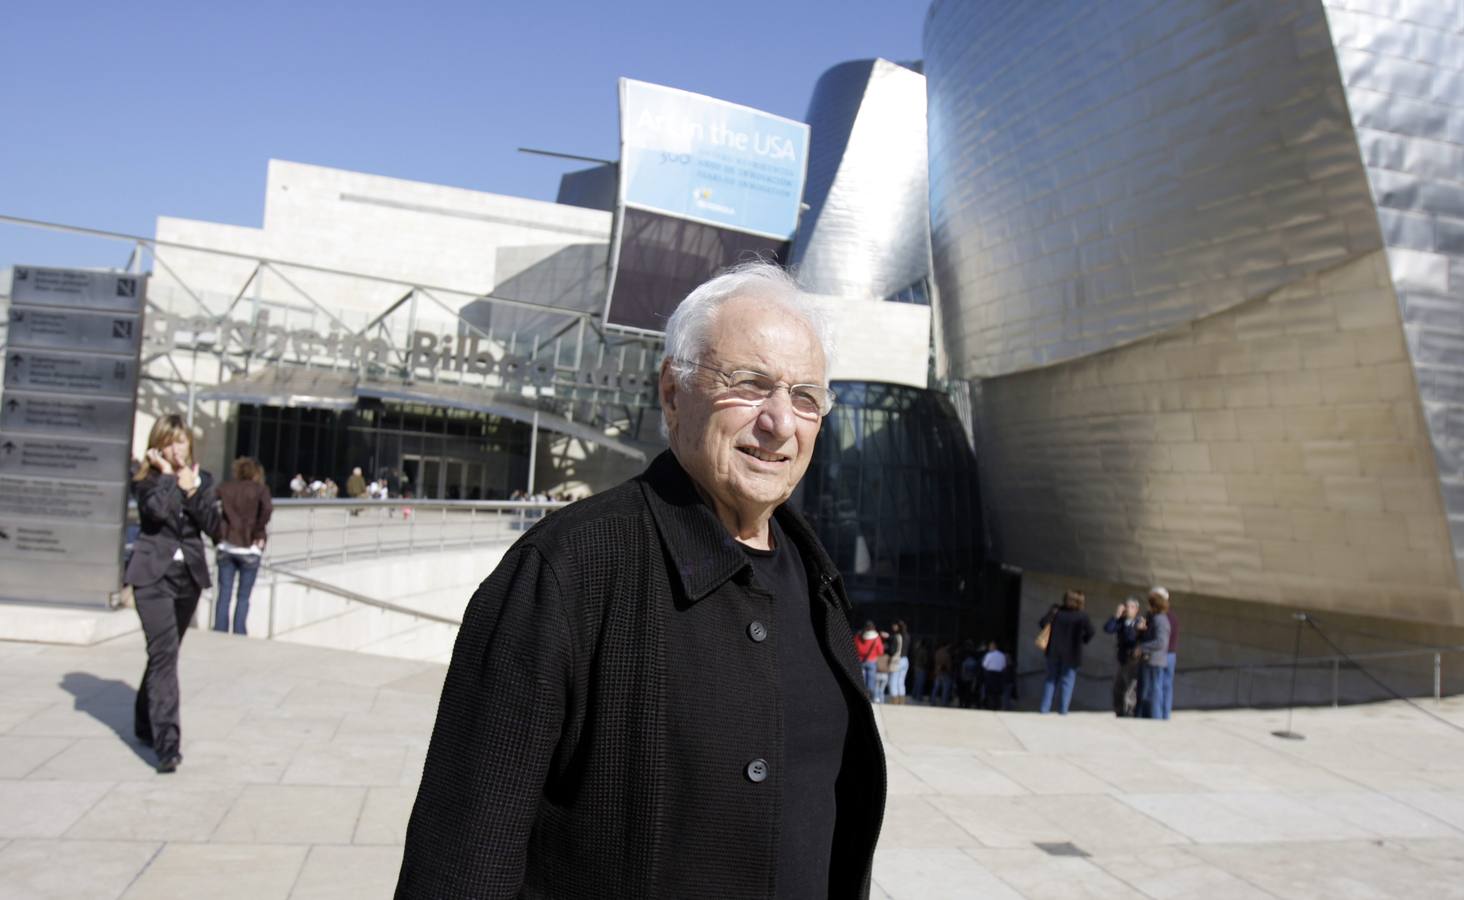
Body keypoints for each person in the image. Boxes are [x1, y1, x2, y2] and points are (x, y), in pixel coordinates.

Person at [396, 262, 885, 898]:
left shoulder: (817, 579)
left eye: (805, 397)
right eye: (750, 384)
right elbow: (462, 862)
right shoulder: (565, 572)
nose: (780, 423)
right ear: (673, 391)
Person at [124, 414, 220, 773]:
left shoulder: (201, 479)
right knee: (164, 657)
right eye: (169, 441)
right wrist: (167, 475)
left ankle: (143, 722)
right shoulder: (146, 480)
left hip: (188, 579)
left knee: (162, 654)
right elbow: (156, 512)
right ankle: (167, 746)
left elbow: (216, 530)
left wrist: (194, 490)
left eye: (181, 441)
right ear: (157, 445)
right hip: (152, 578)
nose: (176, 448)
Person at [214, 456, 272, 635]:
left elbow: (208, 502)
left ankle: (220, 630)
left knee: (224, 594)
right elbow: (267, 509)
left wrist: (218, 533)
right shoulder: (260, 490)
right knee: (244, 596)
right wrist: (258, 530)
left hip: (227, 545)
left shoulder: (226, 488)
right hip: (250, 547)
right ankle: (239, 631)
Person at [1038, 590, 1095, 714]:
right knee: (1067, 682)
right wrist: (1082, 640)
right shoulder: (1082, 616)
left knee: (1050, 680)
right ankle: (1063, 710)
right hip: (1072, 653)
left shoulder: (1057, 611)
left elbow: (1042, 623)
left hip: (1053, 651)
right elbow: (1091, 632)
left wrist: (1051, 613)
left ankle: (1044, 709)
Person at [1137, 587, 1173, 720]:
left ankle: (1155, 717)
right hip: (1152, 660)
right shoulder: (1155, 618)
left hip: (1155, 660)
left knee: (1153, 692)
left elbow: (1161, 642)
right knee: (1149, 691)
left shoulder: (1160, 620)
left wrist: (1142, 647)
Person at [1104, 596, 1144, 716]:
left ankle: (1130, 713)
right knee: (1117, 688)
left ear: (1136, 609)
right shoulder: (1121, 622)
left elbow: (1131, 639)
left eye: (1131, 607)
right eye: (1126, 607)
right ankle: (1119, 712)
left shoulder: (1139, 623)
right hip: (1121, 659)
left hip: (1132, 661)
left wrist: (1137, 629)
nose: (1128, 610)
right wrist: (1116, 616)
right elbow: (1108, 629)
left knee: (1130, 689)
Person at [854, 620, 885, 702]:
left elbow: (854, 647)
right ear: (873, 627)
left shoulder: (859, 635)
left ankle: (861, 697)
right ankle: (869, 698)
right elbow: (881, 651)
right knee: (871, 682)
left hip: (860, 660)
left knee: (861, 681)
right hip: (871, 661)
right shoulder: (876, 637)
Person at [1163, 593, 1179, 718]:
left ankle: (1160, 713)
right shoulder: (1173, 618)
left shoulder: (1162, 618)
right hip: (1171, 655)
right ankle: (1165, 713)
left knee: (1159, 685)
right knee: (1167, 686)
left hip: (1164, 654)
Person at [886, 620, 910, 705]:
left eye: (894, 625)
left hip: (897, 660)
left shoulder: (897, 636)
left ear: (898, 627)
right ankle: (901, 702)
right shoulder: (907, 636)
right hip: (905, 660)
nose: (893, 627)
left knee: (893, 681)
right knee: (901, 682)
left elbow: (893, 650)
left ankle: (894, 702)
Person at [979, 641, 1007, 710]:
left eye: (990, 647)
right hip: (999, 675)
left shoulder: (989, 655)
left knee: (990, 692)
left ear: (993, 647)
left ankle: (991, 706)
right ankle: (997, 706)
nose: (989, 648)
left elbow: (984, 665)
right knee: (997, 692)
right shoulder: (1002, 655)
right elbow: (1004, 666)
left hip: (990, 674)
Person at [931, 640, 955, 706]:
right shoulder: (947, 654)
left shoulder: (937, 652)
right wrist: (950, 672)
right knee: (945, 689)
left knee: (936, 688)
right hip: (945, 673)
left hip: (937, 672)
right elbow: (949, 665)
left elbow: (935, 662)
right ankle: (944, 702)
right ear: (946, 646)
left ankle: (932, 701)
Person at [910, 638, 931, 704]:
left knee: (916, 682)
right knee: (920, 683)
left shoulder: (917, 650)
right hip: (921, 668)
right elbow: (925, 661)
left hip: (916, 667)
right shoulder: (924, 651)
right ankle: (919, 697)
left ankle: (914, 695)